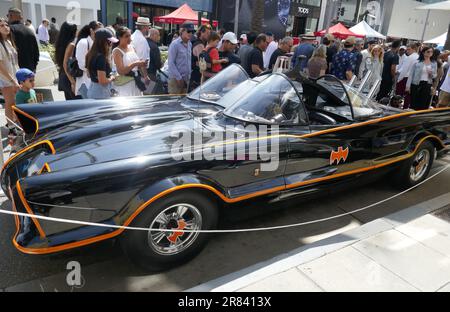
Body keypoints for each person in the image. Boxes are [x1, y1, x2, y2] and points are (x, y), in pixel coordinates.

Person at [112, 26, 148, 97]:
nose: (129, 38)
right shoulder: (117, 51)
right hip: (125, 85)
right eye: (126, 36)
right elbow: (121, 71)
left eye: (130, 36)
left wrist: (145, 75)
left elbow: (138, 64)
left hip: (136, 82)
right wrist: (135, 64)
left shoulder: (132, 47)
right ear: (119, 37)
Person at [86, 28, 118, 99]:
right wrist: (112, 78)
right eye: (109, 42)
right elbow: (102, 81)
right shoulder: (101, 57)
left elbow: (88, 74)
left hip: (92, 88)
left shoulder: (90, 54)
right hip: (101, 92)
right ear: (103, 42)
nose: (111, 44)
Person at [0, 17, 20, 125]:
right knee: (10, 103)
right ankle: (11, 127)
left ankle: (15, 124)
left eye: (6, 25)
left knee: (15, 103)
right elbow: (0, 66)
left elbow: (14, 62)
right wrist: (12, 80)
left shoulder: (8, 41)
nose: (5, 27)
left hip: (15, 77)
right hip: (6, 79)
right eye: (1, 26)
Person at [7, 8, 39, 72]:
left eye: (8, 16)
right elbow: (36, 52)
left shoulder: (9, 30)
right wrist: (33, 67)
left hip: (16, 70)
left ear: (11, 16)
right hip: (30, 69)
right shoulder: (29, 30)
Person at [75, 21, 102, 99]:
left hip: (94, 83)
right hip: (85, 82)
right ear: (91, 31)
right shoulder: (84, 42)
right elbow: (81, 64)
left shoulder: (96, 43)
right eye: (98, 30)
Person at [406, 46, 437, 111]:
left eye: (431, 52)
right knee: (414, 102)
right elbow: (411, 74)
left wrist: (431, 74)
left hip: (427, 84)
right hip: (416, 83)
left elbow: (435, 76)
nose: (430, 53)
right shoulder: (417, 62)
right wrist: (408, 86)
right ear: (423, 52)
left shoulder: (434, 63)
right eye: (428, 51)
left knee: (423, 103)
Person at [167, 22, 194, 94]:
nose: (190, 33)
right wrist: (179, 78)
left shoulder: (189, 44)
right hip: (175, 79)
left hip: (186, 79)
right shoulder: (175, 44)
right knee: (174, 103)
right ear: (182, 31)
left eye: (192, 32)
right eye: (188, 31)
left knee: (183, 103)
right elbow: (171, 63)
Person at [55, 22, 78, 100]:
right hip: (69, 77)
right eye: (76, 30)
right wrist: (73, 82)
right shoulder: (71, 45)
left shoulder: (60, 43)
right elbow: (66, 64)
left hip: (63, 75)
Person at [396, 42, 419, 109]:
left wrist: (399, 79)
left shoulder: (410, 57)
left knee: (399, 95)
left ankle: (397, 107)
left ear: (414, 49)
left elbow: (404, 70)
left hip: (405, 78)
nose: (407, 51)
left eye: (409, 49)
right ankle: (405, 108)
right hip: (413, 79)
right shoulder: (418, 57)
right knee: (408, 96)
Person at [190, 24, 211, 91]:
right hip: (197, 78)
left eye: (209, 33)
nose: (209, 35)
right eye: (207, 33)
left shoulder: (203, 44)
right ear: (201, 32)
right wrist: (212, 65)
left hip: (197, 77)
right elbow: (202, 64)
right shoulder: (199, 45)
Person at [146, 28, 163, 94]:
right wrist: (161, 64)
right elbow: (158, 63)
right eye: (158, 35)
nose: (159, 37)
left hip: (142, 73)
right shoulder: (154, 46)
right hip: (151, 73)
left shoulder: (145, 42)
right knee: (150, 96)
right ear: (153, 35)